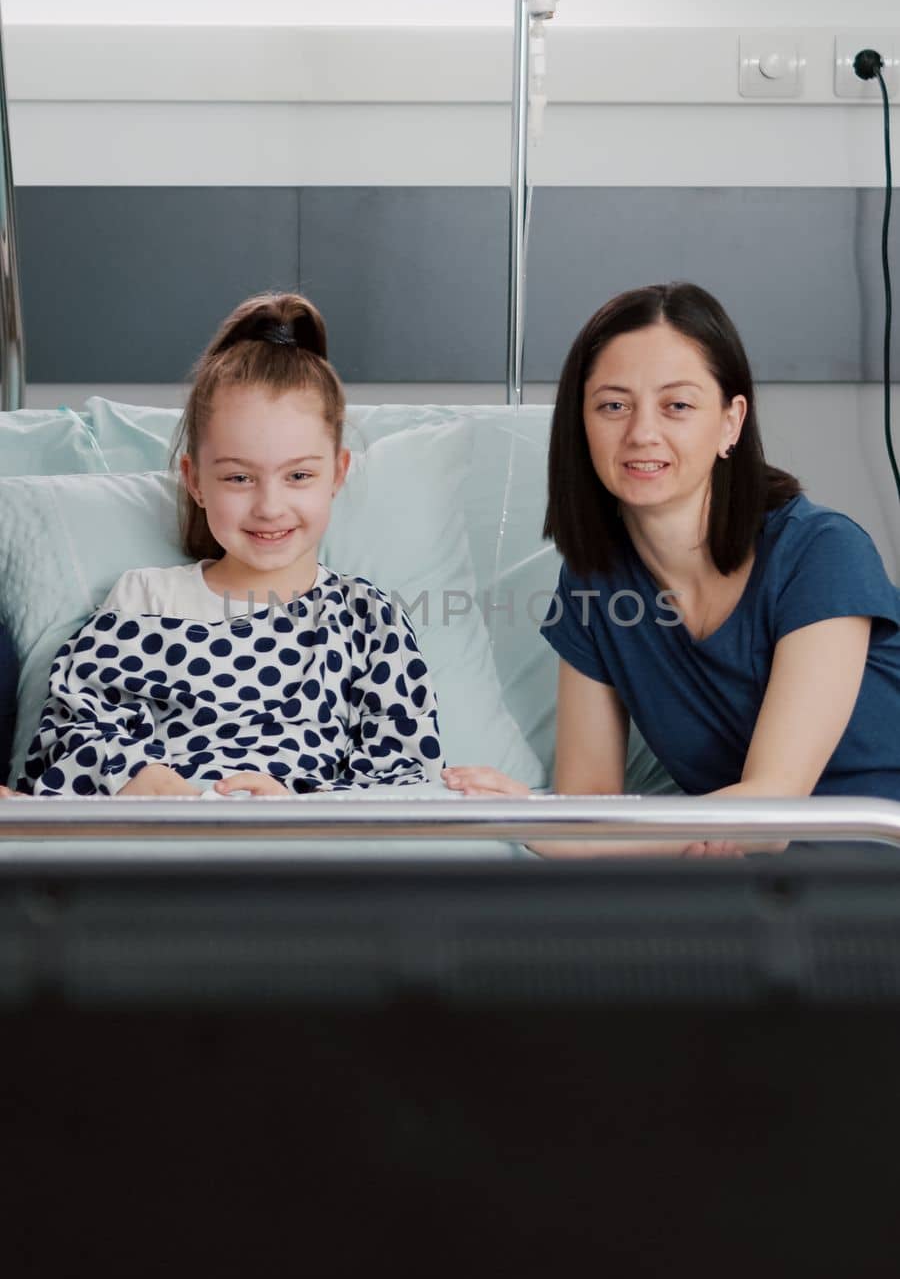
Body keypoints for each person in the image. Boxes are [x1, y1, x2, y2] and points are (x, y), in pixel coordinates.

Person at [443, 281, 900, 856]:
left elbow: (773, 807)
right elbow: (590, 804)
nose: (641, 433)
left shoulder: (821, 552)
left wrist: (540, 825)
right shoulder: (595, 582)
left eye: (677, 405)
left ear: (731, 422)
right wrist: (515, 812)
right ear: (580, 424)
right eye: (613, 405)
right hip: (753, 882)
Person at [7, 292, 442, 799]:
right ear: (195, 481)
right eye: (239, 477)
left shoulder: (369, 619)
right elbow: (74, 730)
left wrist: (299, 812)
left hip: (305, 854)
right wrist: (143, 780)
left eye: (299, 475)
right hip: (165, 843)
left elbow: (405, 782)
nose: (269, 506)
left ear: (338, 474)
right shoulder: (145, 599)